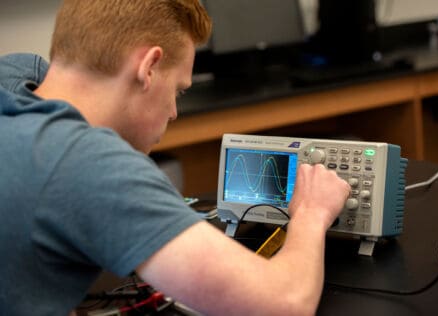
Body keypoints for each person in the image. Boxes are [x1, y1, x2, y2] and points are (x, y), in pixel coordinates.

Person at [0, 1, 351, 315]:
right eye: (178, 90)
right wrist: (311, 213)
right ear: (149, 67)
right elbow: (285, 303)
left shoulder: (13, 78)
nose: (173, 113)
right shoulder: (85, 164)